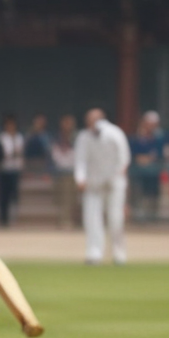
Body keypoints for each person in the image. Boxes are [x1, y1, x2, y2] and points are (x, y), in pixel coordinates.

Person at [74, 108, 130, 265]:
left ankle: (119, 253)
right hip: (94, 183)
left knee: (116, 219)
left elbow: (124, 158)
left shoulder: (115, 133)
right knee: (91, 219)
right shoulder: (84, 137)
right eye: (89, 119)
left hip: (114, 182)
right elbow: (80, 160)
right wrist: (80, 178)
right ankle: (94, 253)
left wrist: (118, 174)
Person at [128, 111, 164, 223]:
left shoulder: (158, 139)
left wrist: (148, 158)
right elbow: (131, 154)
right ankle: (137, 219)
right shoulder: (134, 138)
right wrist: (140, 158)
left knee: (153, 197)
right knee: (137, 197)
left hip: (153, 174)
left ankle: (152, 218)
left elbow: (159, 154)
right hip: (137, 174)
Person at [0, 115, 25, 226]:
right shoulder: (2, 138)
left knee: (15, 196)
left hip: (15, 170)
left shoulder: (19, 137)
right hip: (4, 170)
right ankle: (3, 220)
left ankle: (14, 220)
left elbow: (21, 153)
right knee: (4, 196)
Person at [50, 114, 78, 229]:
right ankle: (63, 220)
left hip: (73, 172)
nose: (67, 126)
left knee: (72, 198)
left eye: (70, 123)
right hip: (60, 172)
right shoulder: (57, 138)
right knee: (62, 198)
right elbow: (55, 154)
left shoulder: (77, 138)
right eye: (65, 123)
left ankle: (72, 220)